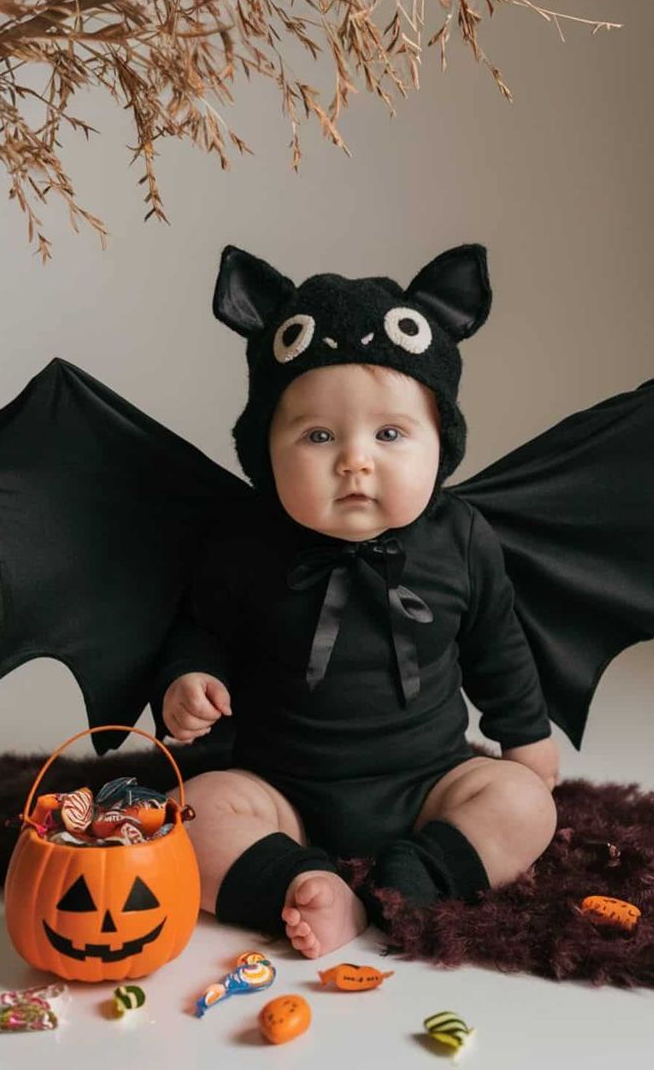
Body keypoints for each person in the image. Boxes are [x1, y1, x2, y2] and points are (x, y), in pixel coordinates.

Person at [156, 331, 559, 959]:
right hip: (280, 791)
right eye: (318, 436)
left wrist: (527, 738)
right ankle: (302, 885)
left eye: (390, 435)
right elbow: (200, 627)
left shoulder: (461, 536)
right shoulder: (243, 542)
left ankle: (419, 875)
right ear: (265, 452)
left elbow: (497, 645)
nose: (355, 461)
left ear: (441, 446)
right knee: (188, 815)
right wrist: (188, 679)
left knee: (526, 804)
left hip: (433, 784)